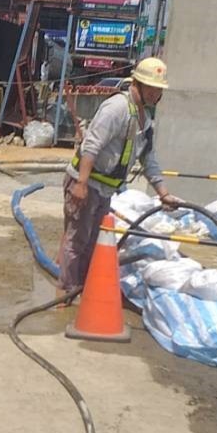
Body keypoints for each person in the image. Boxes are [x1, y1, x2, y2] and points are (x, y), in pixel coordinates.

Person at [56, 57, 177, 297]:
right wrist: (80, 183)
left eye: (158, 89)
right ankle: (65, 292)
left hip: (104, 190)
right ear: (137, 83)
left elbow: (148, 160)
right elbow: (92, 145)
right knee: (77, 240)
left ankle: (80, 288)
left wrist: (163, 193)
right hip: (87, 183)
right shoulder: (117, 108)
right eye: (152, 88)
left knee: (93, 242)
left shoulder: (145, 119)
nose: (155, 94)